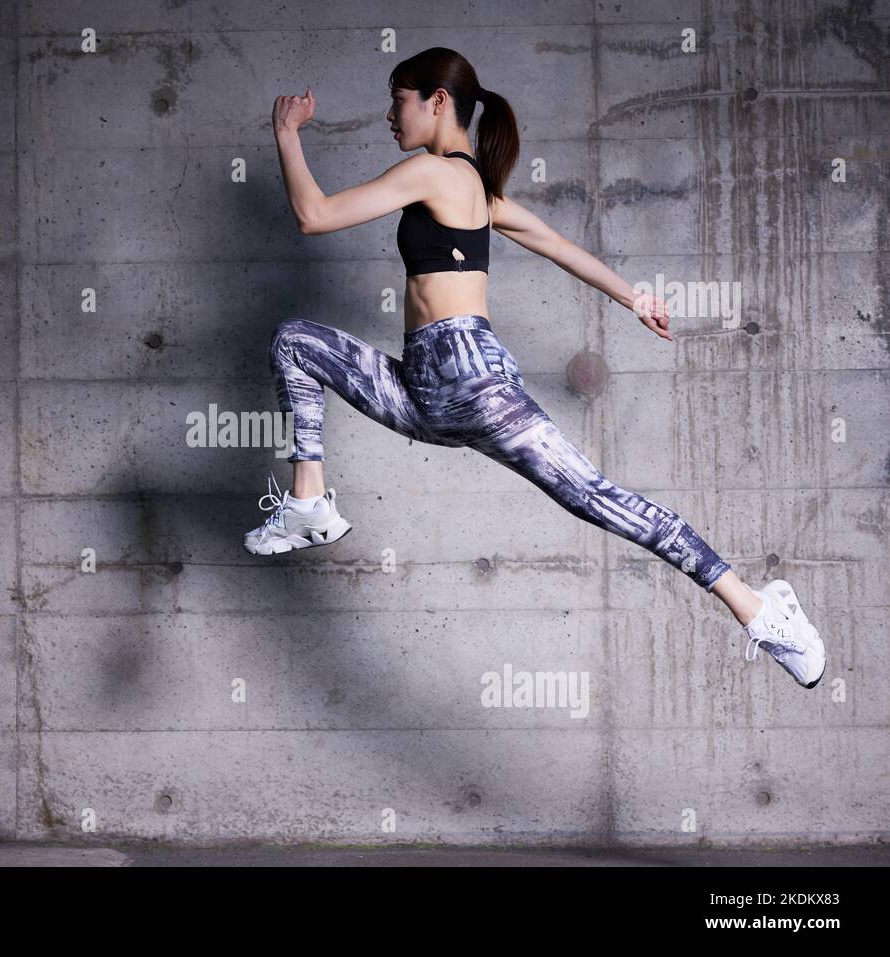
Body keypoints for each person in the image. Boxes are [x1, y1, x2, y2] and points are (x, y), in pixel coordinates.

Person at [245, 47, 824, 689]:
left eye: (398, 98)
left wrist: (285, 134)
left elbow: (314, 215)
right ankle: (308, 505)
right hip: (424, 395)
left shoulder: (434, 172)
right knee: (295, 342)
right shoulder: (480, 194)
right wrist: (633, 296)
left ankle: (761, 611)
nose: (390, 113)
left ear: (438, 102)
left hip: (472, 384)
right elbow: (556, 244)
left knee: (599, 499)